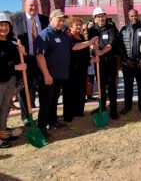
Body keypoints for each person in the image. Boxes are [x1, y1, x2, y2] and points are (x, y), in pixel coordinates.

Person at [36, 10, 97, 138]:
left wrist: (90, 42)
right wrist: (46, 75)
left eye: (63, 20)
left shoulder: (63, 35)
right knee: (46, 102)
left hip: (60, 75)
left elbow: (75, 46)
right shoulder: (45, 35)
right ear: (51, 19)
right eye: (59, 19)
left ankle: (53, 122)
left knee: (53, 101)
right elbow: (40, 56)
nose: (62, 22)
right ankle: (41, 128)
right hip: (48, 76)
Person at [13, 0, 49, 126]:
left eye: (35, 5)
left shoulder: (45, 19)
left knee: (44, 86)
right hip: (26, 59)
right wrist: (17, 47)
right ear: (25, 6)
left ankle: (44, 116)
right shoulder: (16, 19)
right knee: (25, 89)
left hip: (42, 58)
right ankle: (26, 117)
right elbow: (11, 38)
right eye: (30, 5)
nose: (33, 8)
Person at [0, 13, 26, 148]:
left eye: (6, 25)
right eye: (1, 25)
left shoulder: (10, 42)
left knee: (5, 108)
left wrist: (22, 51)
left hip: (9, 80)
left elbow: (16, 58)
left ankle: (2, 131)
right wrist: (16, 66)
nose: (4, 28)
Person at [88, 7, 119, 120]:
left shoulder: (111, 28)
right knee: (100, 86)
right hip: (98, 62)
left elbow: (111, 44)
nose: (101, 18)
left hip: (110, 61)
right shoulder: (92, 30)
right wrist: (93, 47)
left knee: (111, 87)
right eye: (98, 16)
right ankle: (102, 107)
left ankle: (114, 110)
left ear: (105, 16)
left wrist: (101, 52)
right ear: (95, 18)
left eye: (102, 16)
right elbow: (90, 43)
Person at [119, 9, 141, 115]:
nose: (134, 18)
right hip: (128, 64)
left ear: (138, 15)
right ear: (128, 17)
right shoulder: (123, 29)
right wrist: (126, 60)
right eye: (131, 16)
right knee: (128, 86)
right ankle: (127, 106)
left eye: (135, 15)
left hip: (140, 63)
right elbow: (120, 47)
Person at [65, 17, 91, 121]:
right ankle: (69, 114)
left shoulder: (81, 36)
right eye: (77, 25)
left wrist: (91, 59)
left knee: (81, 90)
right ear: (70, 26)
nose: (79, 27)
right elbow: (74, 47)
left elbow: (84, 50)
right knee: (71, 91)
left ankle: (79, 111)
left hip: (82, 68)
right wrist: (90, 42)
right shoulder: (68, 36)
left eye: (80, 25)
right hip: (72, 69)